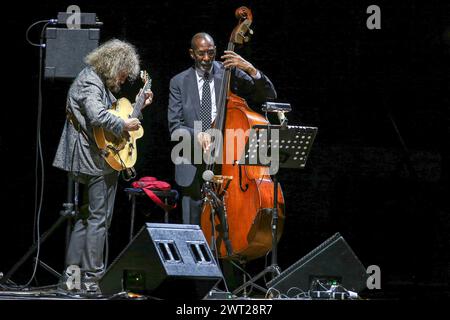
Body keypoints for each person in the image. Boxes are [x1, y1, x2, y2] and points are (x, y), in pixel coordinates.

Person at [53, 39, 153, 293]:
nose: (122, 80)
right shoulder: (90, 81)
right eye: (122, 74)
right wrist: (125, 125)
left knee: (87, 219)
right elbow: (98, 115)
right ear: (113, 65)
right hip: (92, 158)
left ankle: (71, 280)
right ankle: (91, 279)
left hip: (99, 156)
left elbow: (117, 119)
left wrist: (139, 108)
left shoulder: (98, 81)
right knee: (98, 219)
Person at [168, 32, 276, 226]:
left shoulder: (229, 72)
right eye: (201, 54)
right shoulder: (178, 82)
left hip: (226, 160)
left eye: (211, 52)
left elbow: (268, 94)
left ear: (216, 51)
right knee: (191, 229)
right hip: (192, 164)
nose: (207, 58)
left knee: (225, 226)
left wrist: (250, 69)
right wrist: (197, 135)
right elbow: (175, 126)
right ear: (192, 54)